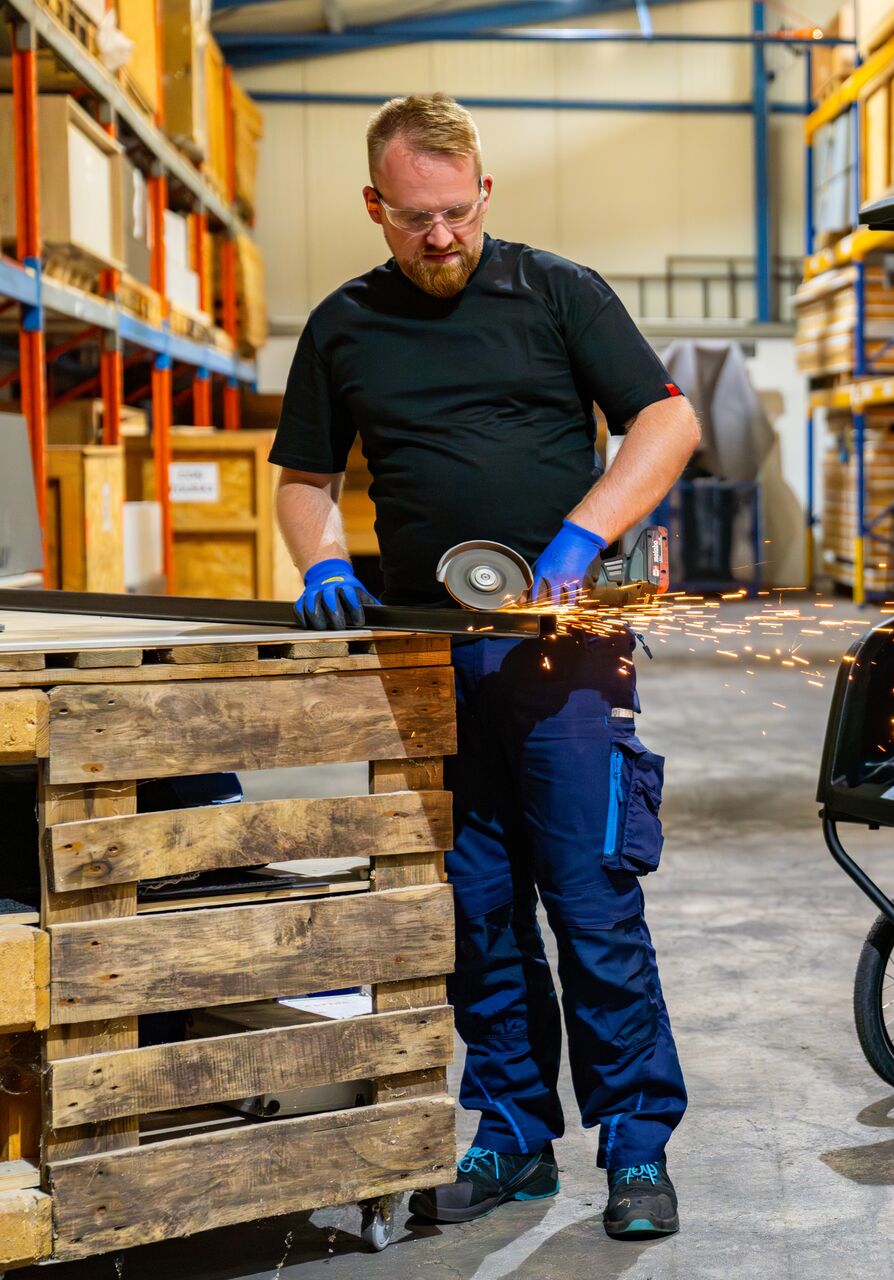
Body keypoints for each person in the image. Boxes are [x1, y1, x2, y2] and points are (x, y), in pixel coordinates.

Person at [270, 92, 700, 1241]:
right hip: (427, 663)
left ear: (485, 194)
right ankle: (511, 1131)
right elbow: (304, 480)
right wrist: (320, 562)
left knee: (592, 899)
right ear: (376, 206)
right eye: (416, 219)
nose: (441, 238)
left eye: (457, 213)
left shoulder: (558, 292)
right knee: (477, 910)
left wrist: (581, 536)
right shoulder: (343, 324)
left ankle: (638, 1145)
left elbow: (665, 423)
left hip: (564, 658)